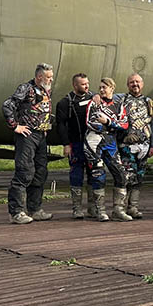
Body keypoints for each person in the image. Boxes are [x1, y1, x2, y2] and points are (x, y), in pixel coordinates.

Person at [2, 63, 55, 224]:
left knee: (40, 172)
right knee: (24, 171)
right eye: (48, 77)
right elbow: (7, 105)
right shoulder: (25, 88)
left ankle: (35, 209)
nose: (51, 80)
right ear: (39, 77)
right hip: (27, 135)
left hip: (41, 136)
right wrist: (15, 126)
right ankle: (16, 212)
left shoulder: (45, 90)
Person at [84, 78, 129, 222]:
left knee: (121, 175)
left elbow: (124, 125)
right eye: (100, 87)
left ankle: (118, 210)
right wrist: (112, 125)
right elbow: (90, 122)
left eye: (105, 87)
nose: (102, 90)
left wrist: (108, 122)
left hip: (111, 142)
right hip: (94, 142)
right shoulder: (94, 102)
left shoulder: (118, 105)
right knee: (98, 175)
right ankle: (100, 211)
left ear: (112, 88)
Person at [55, 73, 93, 219]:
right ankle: (77, 208)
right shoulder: (65, 103)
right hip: (76, 144)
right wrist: (66, 144)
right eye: (83, 84)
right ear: (75, 85)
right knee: (76, 175)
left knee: (94, 174)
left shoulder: (94, 98)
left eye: (87, 83)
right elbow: (61, 125)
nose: (87, 86)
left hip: (92, 144)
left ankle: (93, 207)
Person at [117, 73, 153, 219]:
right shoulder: (121, 100)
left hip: (144, 147)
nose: (135, 84)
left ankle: (133, 207)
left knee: (139, 177)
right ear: (127, 85)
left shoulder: (149, 102)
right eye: (132, 82)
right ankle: (121, 208)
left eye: (138, 82)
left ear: (142, 84)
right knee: (127, 176)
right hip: (126, 147)